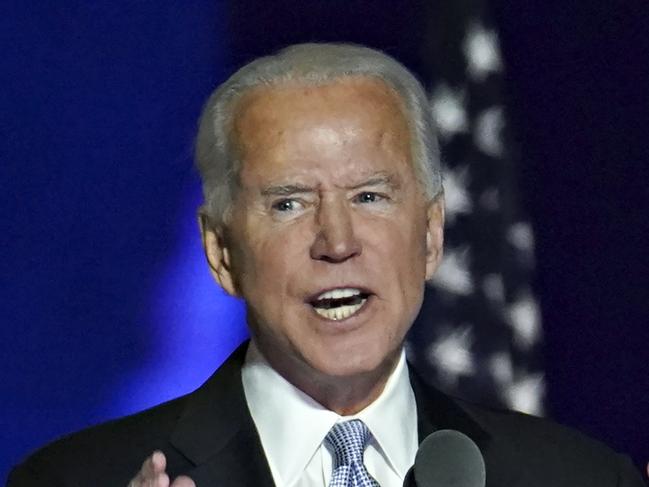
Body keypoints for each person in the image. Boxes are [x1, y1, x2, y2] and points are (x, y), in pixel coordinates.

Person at [7, 43, 645, 487]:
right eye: (288, 203)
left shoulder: (581, 480)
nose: (336, 241)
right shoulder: (72, 482)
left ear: (429, 234)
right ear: (220, 253)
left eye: (370, 197)